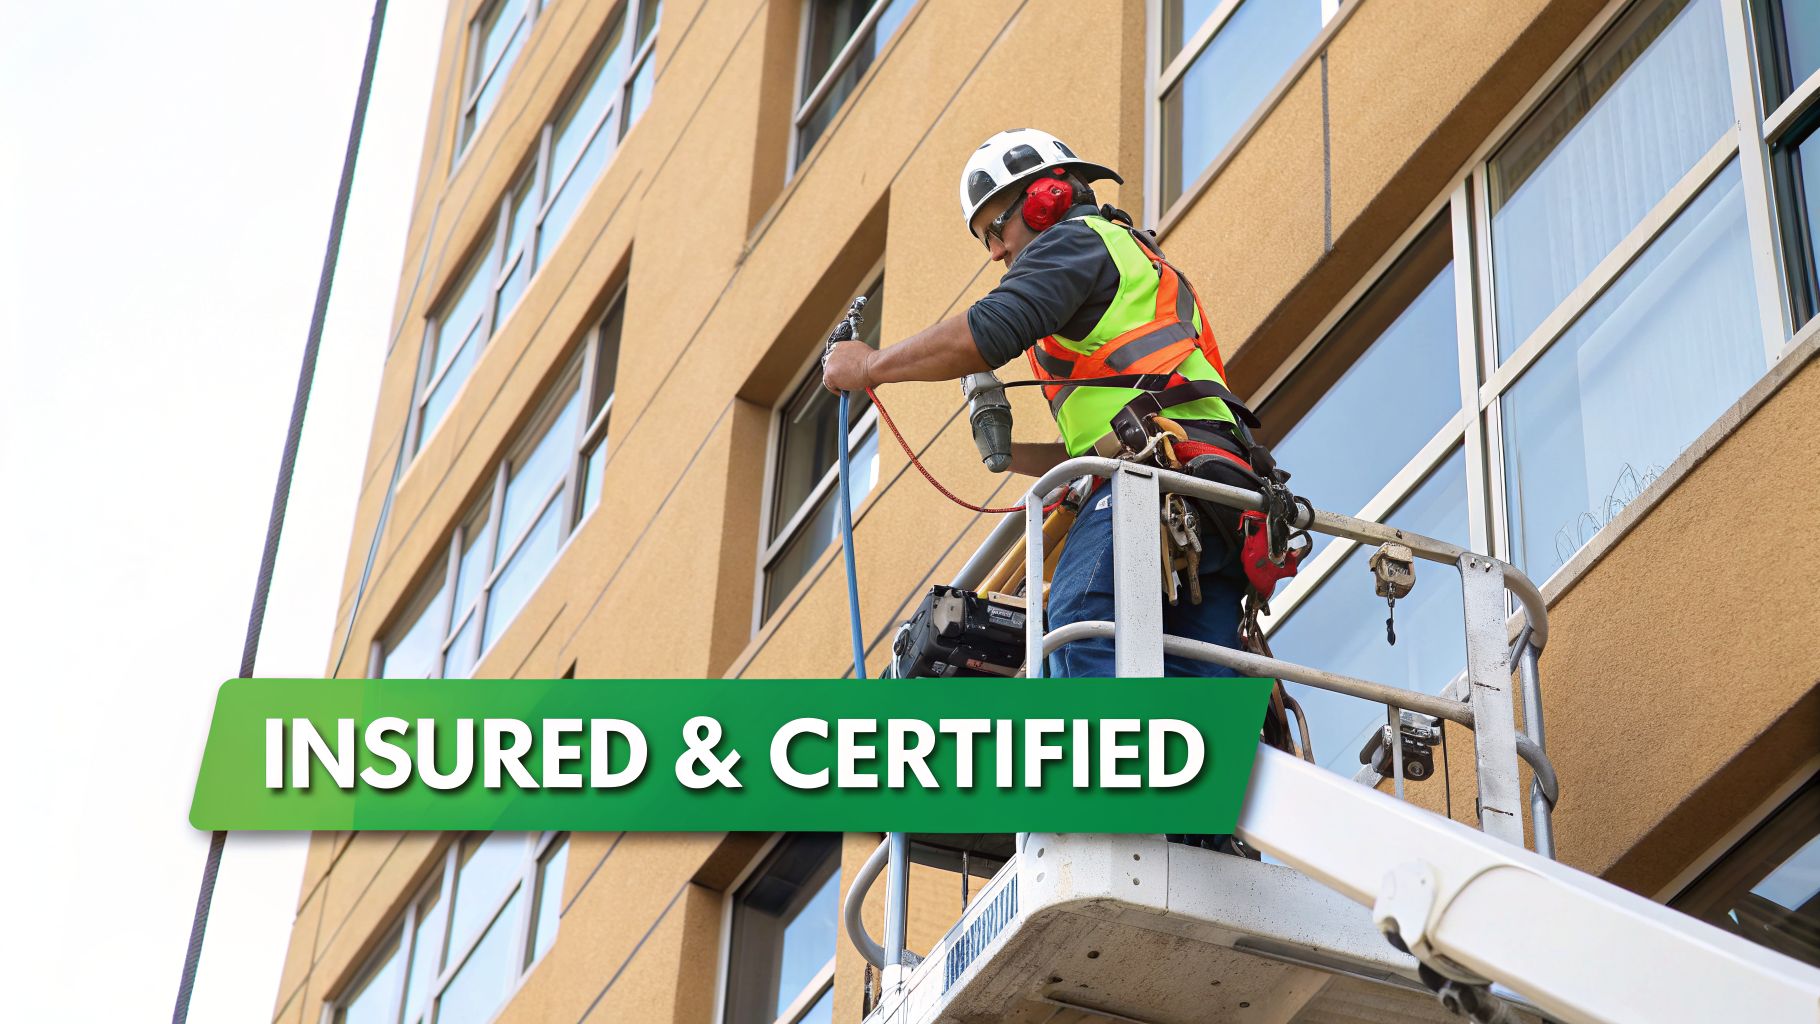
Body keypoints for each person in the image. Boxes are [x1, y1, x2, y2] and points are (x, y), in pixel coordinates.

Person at [822, 128, 1269, 683]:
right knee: (1195, 669)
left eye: (995, 229)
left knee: (1080, 623)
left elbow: (988, 331)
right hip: (1213, 495)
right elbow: (1121, 422)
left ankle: (1115, 766)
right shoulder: (1131, 262)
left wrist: (869, 366)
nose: (996, 252)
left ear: (1045, 199)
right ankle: (1200, 764)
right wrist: (1013, 458)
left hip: (1154, 484)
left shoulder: (1075, 241)